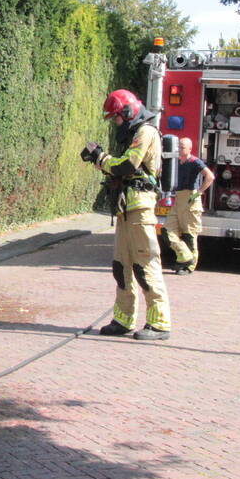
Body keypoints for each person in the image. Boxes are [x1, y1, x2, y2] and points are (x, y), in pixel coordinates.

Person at [81, 89, 172, 341]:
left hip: (141, 210)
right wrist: (99, 160)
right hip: (125, 210)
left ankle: (160, 323)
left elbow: (127, 165)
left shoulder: (146, 132)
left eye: (116, 118)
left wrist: (102, 157)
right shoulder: (134, 134)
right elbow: (119, 168)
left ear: (127, 112)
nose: (116, 123)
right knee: (122, 266)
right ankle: (123, 319)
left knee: (145, 264)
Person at [163, 137, 214, 275]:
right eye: (178, 147)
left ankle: (189, 266)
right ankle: (185, 256)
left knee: (190, 235)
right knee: (167, 230)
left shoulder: (195, 161)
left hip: (191, 200)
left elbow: (210, 177)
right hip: (178, 199)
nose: (179, 149)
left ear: (190, 149)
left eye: (182, 147)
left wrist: (199, 192)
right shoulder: (176, 162)